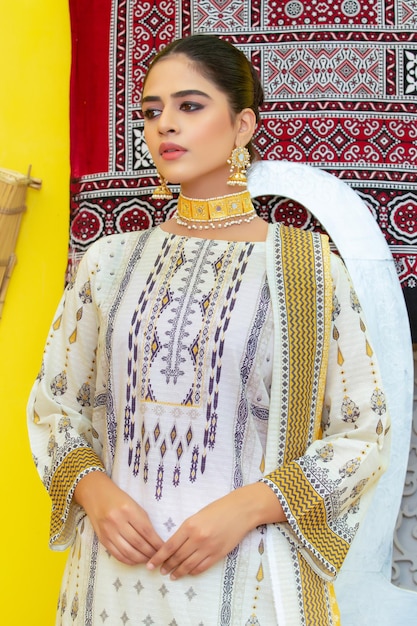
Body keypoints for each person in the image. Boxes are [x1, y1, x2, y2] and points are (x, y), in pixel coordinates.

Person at [27, 34, 390, 625]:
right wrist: (95, 491)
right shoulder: (109, 262)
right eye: (151, 111)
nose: (164, 124)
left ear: (243, 124)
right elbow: (53, 407)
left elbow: (363, 432)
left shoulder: (307, 267)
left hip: (251, 581)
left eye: (190, 106)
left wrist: (245, 508)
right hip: (111, 582)